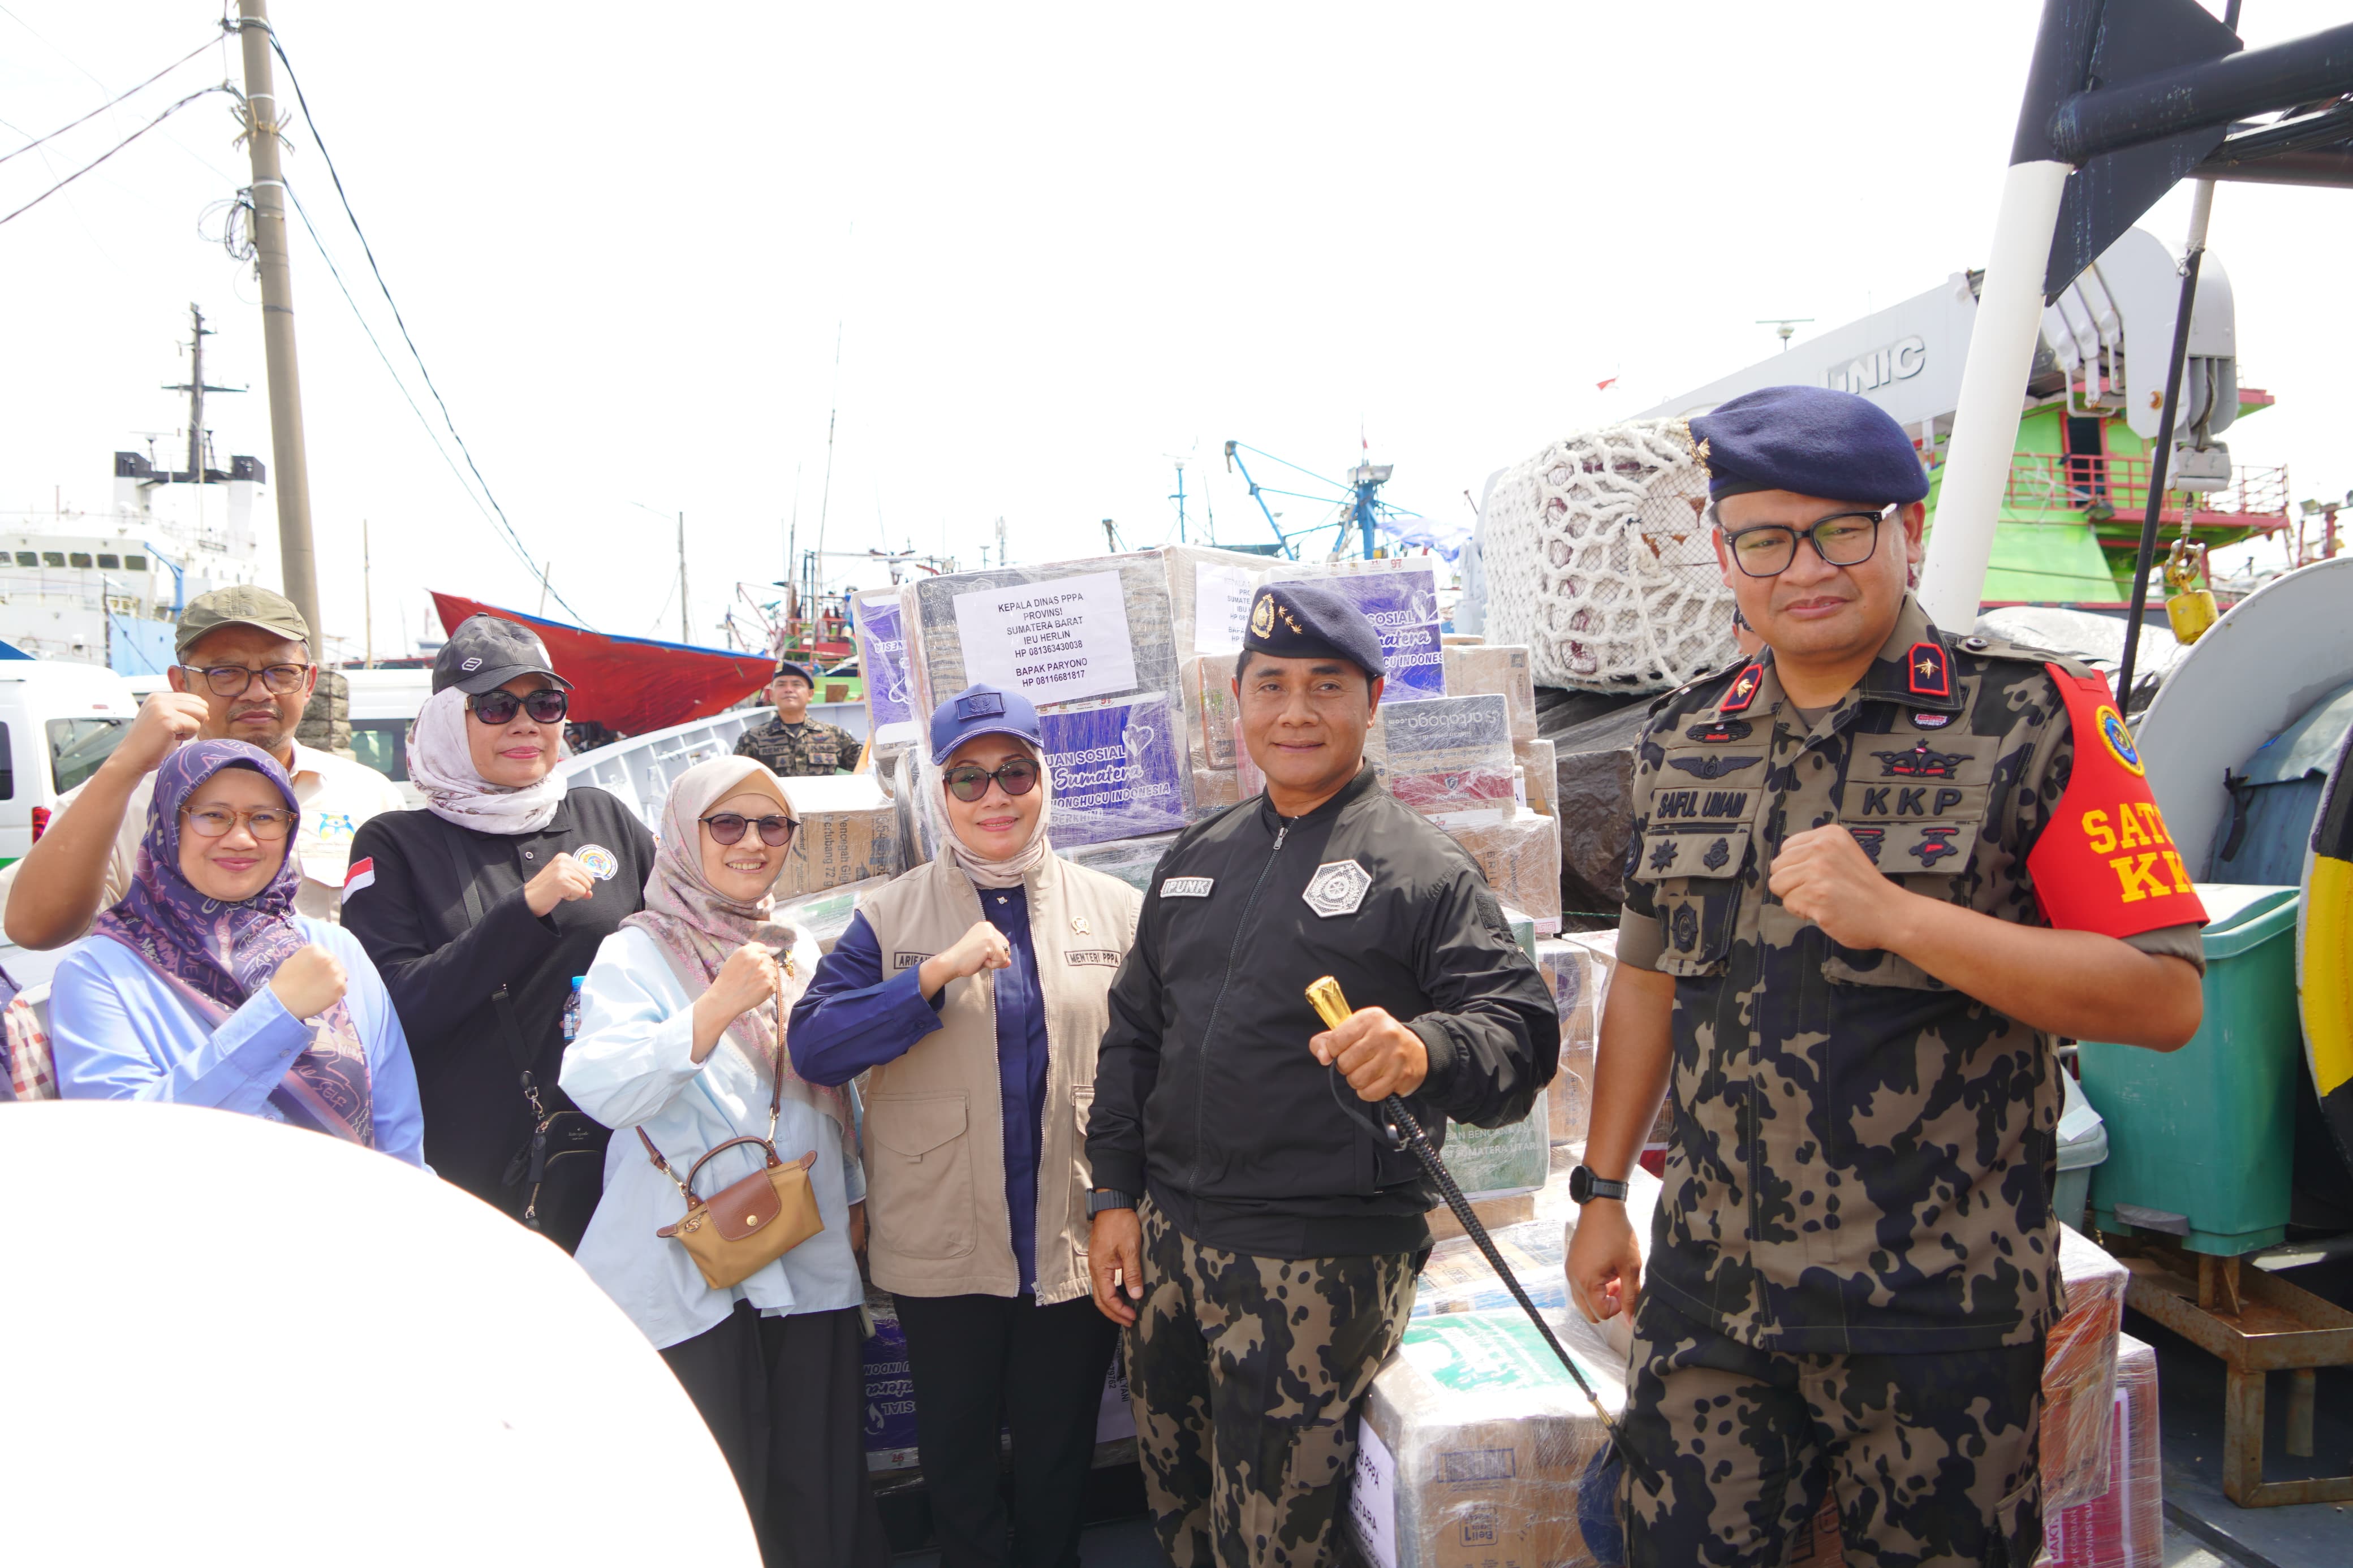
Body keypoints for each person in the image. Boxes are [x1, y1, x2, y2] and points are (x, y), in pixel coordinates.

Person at [1565, 385, 2208, 1568]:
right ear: (1725, 556)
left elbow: (2162, 997)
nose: (1802, 566)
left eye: (1840, 530)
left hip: (1936, 1309)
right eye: (1765, 538)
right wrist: (1603, 1190)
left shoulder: (2034, 717)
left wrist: (1902, 917)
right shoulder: (1683, 735)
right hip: (1714, 1295)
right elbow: (1649, 979)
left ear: (1903, 525)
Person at [1084, 584, 1558, 1568]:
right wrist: (1117, 1196)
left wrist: (1428, 1047)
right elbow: (1133, 1035)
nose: (1296, 711)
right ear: (1238, 705)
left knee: (1279, 1542)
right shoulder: (1195, 858)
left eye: (1325, 687)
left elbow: (1520, 1031)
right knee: (1179, 1503)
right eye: (1272, 686)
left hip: (1315, 1262)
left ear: (1372, 701)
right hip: (1173, 1243)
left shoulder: (1421, 868)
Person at [791, 684, 1141, 1568]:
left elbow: (1151, 1070)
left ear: (1043, 780)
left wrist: (1122, 1198)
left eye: (1014, 772)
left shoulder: (1117, 911)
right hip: (945, 1250)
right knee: (958, 1466)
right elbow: (817, 1045)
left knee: (1059, 1460)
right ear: (939, 795)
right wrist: (930, 978)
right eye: (969, 778)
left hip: (1071, 1240)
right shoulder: (889, 916)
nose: (995, 797)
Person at [561, 755, 885, 1568]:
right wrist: (710, 1010)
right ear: (681, 835)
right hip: (692, 1270)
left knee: (819, 1489)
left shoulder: (796, 945)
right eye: (727, 824)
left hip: (806, 1252)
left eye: (772, 824)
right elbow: (600, 1085)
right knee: (719, 1496)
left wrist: (853, 1196)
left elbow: (825, 1093)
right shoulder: (636, 952)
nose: (751, 843)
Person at [342, 614, 655, 1222]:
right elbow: (394, 1009)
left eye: (545, 703)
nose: (524, 724)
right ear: (446, 722)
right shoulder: (394, 844)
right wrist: (525, 909)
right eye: (494, 706)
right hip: (473, 1164)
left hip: (623, 1143)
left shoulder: (603, 816)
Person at [49, 740, 423, 1166]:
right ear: (168, 825)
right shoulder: (101, 970)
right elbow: (124, 1150)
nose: (242, 838)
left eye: (264, 817)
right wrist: (277, 1015)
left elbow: (398, 1134)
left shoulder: (333, 947)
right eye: (213, 815)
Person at [2, 586, 404, 947]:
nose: (258, 692)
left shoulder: (368, 794)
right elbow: (36, 928)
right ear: (181, 684)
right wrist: (123, 764)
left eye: (281, 672)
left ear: (310, 682)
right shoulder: (125, 798)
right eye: (226, 673)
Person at [735, 660, 862, 777]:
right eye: (781, 685)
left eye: (797, 684)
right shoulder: (752, 739)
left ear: (810, 694)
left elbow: (868, 766)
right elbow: (736, 781)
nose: (789, 690)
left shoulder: (834, 735)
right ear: (772, 695)